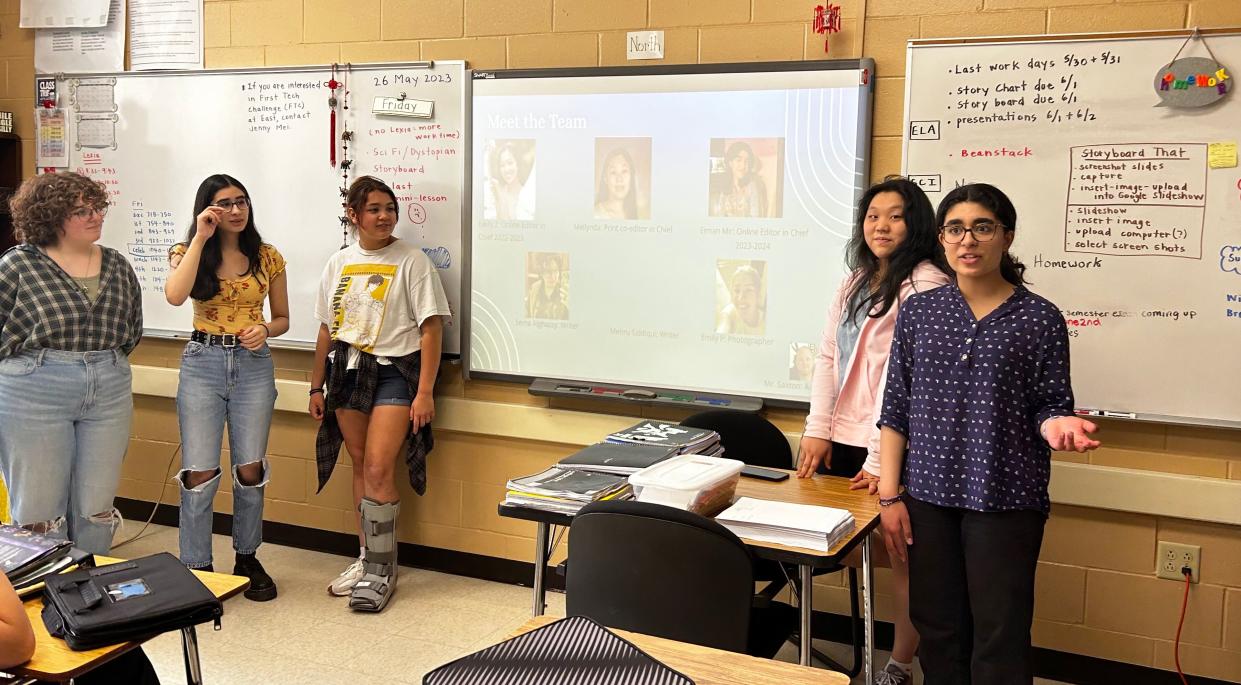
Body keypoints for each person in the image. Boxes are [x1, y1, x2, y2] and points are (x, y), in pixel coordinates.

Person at [877, 183, 1100, 685]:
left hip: (1005, 499)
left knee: (999, 636)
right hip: (928, 499)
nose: (968, 240)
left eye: (983, 227)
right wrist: (890, 497)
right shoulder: (920, 311)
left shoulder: (1039, 318)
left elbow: (1048, 405)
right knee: (938, 629)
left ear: (1007, 236)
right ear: (942, 238)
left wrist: (1057, 424)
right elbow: (896, 409)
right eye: (955, 229)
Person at [796, 177, 951, 685]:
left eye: (896, 215)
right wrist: (818, 428)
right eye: (872, 215)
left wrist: (881, 463)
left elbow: (907, 380)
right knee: (853, 552)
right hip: (845, 437)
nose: (881, 225)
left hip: (894, 447)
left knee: (905, 563)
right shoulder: (856, 281)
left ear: (917, 223)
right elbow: (828, 356)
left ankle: (900, 665)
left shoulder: (926, 283)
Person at [310, 176, 451, 613]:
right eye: (374, 209)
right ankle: (367, 556)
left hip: (394, 374)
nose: (385, 216)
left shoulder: (412, 261)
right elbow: (325, 329)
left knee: (377, 466)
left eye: (390, 207)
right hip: (348, 372)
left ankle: (382, 569)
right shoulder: (339, 262)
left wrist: (424, 391)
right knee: (359, 464)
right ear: (353, 215)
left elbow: (432, 328)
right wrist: (316, 385)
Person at [0, 172, 142, 556]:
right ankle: (38, 593)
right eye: (82, 210)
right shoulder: (17, 265)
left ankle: (86, 586)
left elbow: (131, 331)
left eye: (97, 207)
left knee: (96, 505)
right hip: (34, 387)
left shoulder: (117, 265)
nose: (95, 216)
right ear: (50, 218)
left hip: (108, 385)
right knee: (38, 509)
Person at [164, 174, 289, 601]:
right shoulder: (186, 252)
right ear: (207, 209)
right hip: (203, 363)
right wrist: (201, 237)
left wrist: (266, 329)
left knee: (249, 469)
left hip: (253, 365)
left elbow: (283, 319)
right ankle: (196, 564)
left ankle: (247, 556)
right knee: (199, 472)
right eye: (224, 204)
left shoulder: (267, 256)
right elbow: (175, 297)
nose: (235, 211)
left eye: (241, 202)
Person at [709, 141, 768, 218]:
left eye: (746, 161)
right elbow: (720, 215)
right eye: (738, 160)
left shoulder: (752, 186)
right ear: (730, 163)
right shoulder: (724, 186)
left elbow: (756, 216)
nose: (743, 166)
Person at [483, 142, 535, 221]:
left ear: (517, 164)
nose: (506, 169)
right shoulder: (496, 193)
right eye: (502, 165)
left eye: (510, 163)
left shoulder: (528, 195)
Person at [715, 264, 765, 335]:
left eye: (748, 290)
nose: (740, 297)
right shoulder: (730, 313)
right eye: (737, 290)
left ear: (758, 294)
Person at [594, 147, 643, 220]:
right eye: (613, 172)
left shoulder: (635, 215)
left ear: (631, 177)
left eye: (624, 171)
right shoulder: (596, 214)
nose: (619, 179)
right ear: (605, 179)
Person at [526, 253, 568, 320]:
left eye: (556, 271)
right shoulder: (534, 289)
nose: (553, 276)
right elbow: (527, 314)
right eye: (548, 271)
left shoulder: (565, 293)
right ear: (541, 273)